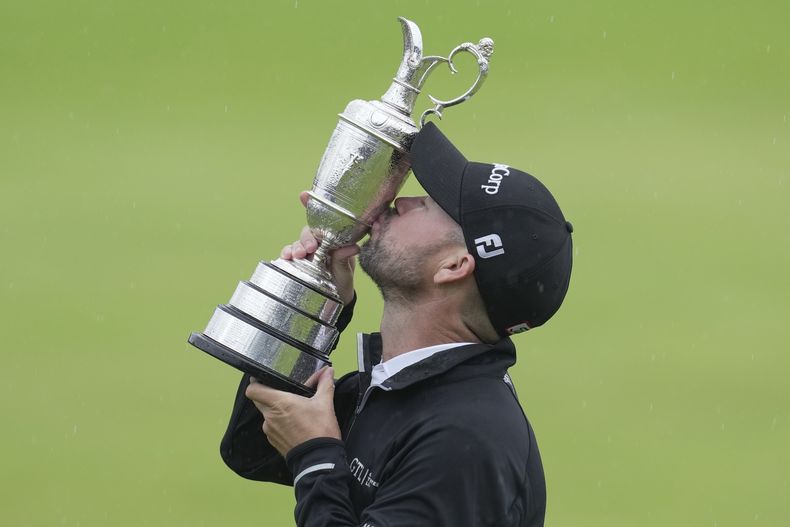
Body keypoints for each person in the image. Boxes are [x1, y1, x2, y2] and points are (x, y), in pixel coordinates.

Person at [219, 122, 574, 527]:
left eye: (429, 203)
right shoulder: (405, 385)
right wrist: (315, 305)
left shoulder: (463, 439)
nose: (403, 202)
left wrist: (316, 458)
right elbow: (250, 448)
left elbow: (302, 458)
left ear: (453, 266)